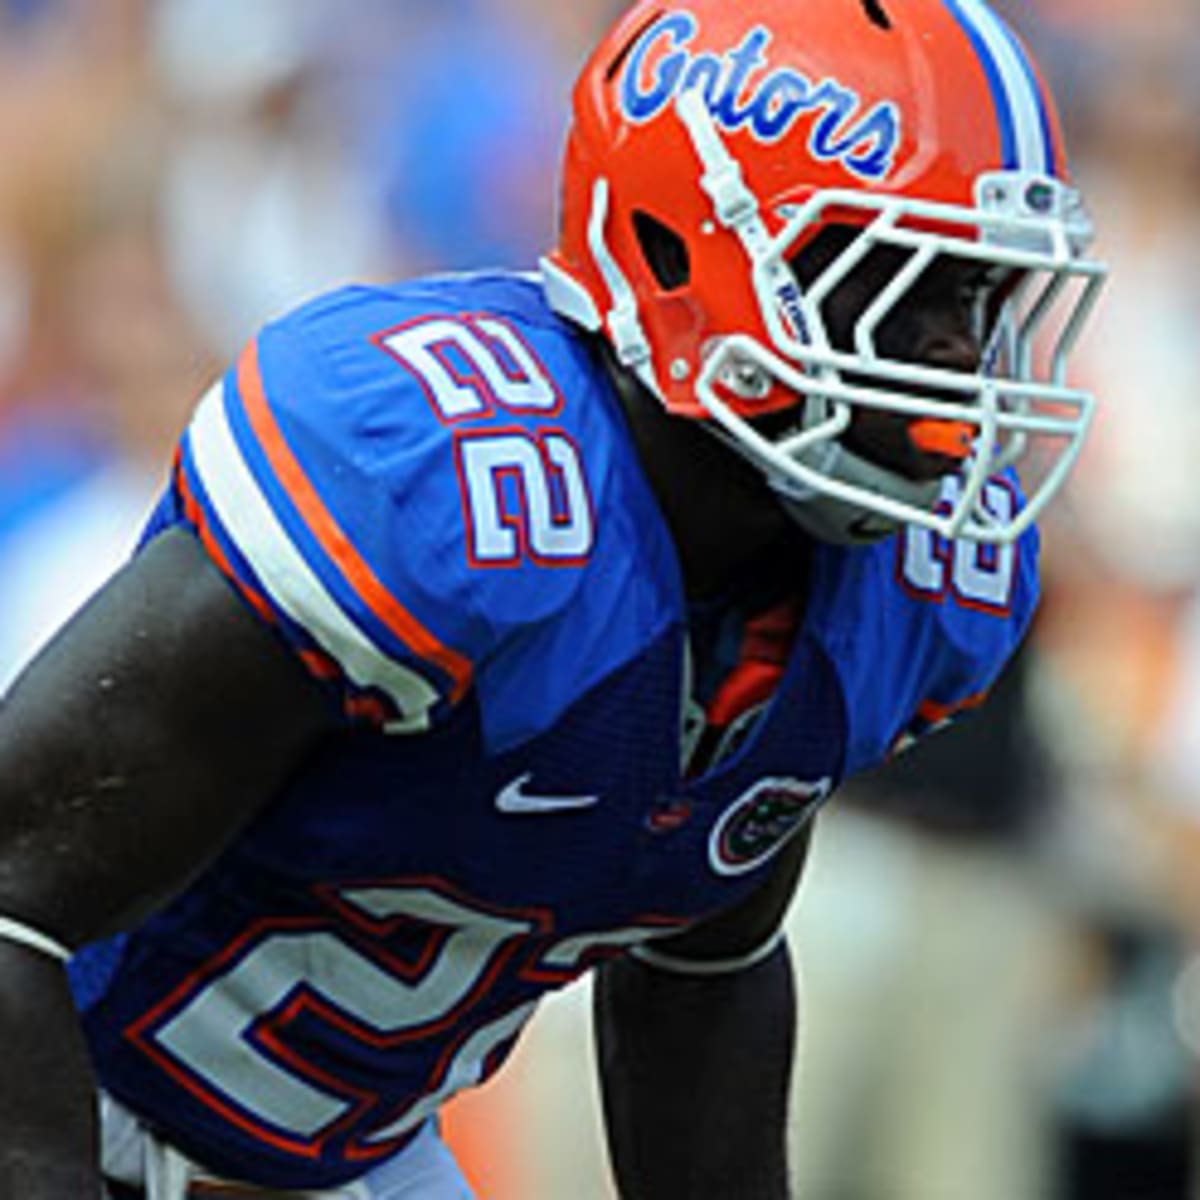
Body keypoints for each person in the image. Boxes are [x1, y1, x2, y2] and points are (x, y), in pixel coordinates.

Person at [0, 1, 1105, 1197]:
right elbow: (9, 897)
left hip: (342, 1161)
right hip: (70, 1098)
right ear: (683, 252)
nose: (957, 360)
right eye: (910, 289)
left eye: (982, 297)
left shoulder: (886, 588)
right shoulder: (439, 484)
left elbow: (705, 960)